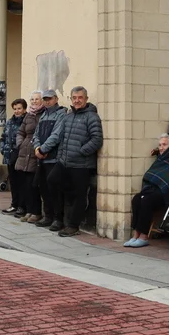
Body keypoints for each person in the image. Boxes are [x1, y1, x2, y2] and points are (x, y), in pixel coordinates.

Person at [38, 86, 103, 237]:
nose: (77, 100)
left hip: (82, 165)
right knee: (52, 180)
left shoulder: (92, 117)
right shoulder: (68, 116)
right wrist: (62, 156)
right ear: (71, 99)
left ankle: (73, 226)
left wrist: (81, 152)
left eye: (80, 98)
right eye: (74, 98)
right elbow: (61, 139)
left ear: (86, 99)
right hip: (64, 162)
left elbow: (97, 139)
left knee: (80, 195)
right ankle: (62, 217)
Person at [126, 135, 169, 248]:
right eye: (159, 145)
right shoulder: (160, 159)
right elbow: (150, 175)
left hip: (165, 193)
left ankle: (144, 237)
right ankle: (136, 234)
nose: (161, 147)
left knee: (146, 200)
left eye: (164, 144)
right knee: (137, 199)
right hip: (152, 189)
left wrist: (160, 186)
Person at [31, 90, 66, 228]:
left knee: (55, 191)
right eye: (45, 99)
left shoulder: (61, 114)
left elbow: (57, 135)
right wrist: (37, 148)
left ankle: (58, 219)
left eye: (49, 99)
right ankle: (48, 216)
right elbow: (36, 135)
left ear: (56, 99)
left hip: (54, 159)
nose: (47, 101)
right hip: (42, 160)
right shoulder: (44, 115)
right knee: (44, 189)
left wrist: (42, 150)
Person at [14, 92, 43, 222]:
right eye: (32, 99)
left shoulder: (44, 114)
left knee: (34, 185)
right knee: (25, 185)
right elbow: (21, 132)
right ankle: (29, 211)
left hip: (36, 152)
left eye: (37, 99)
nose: (34, 101)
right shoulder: (28, 116)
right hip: (24, 152)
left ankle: (36, 212)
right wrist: (20, 144)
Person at [1, 99, 27, 216]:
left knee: (22, 182)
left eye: (19, 108)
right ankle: (14, 204)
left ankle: (22, 206)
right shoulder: (9, 122)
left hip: (21, 156)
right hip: (9, 155)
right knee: (13, 182)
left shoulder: (27, 121)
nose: (17, 111)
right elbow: (3, 137)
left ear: (24, 109)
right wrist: (3, 149)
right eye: (15, 109)